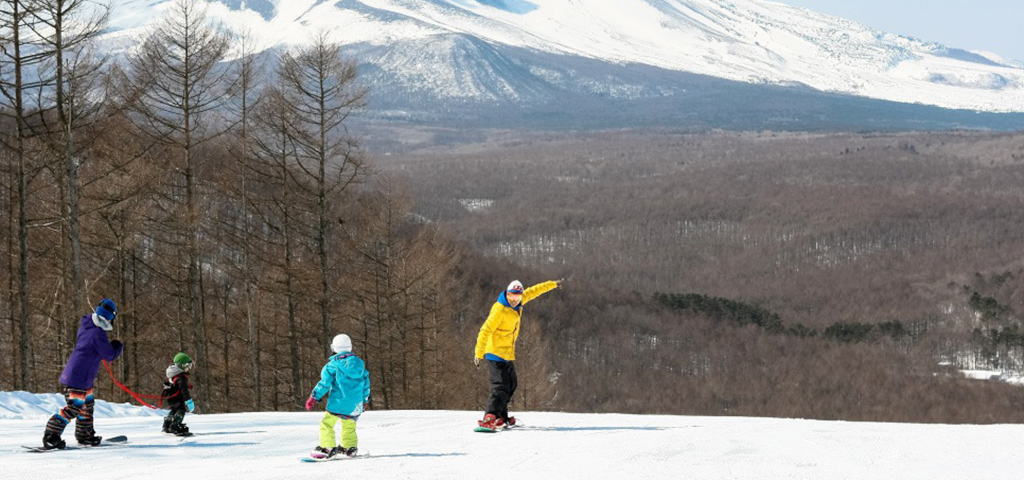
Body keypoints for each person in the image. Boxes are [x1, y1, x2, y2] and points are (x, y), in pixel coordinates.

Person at [474, 278, 562, 430]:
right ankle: (490, 416)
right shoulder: (499, 310)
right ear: (507, 294)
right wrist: (478, 352)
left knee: (512, 384)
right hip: (494, 353)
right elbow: (485, 330)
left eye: (517, 297)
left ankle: (501, 416)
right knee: (500, 386)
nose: (514, 300)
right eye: (512, 296)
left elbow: (534, 291)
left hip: (507, 353)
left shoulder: (519, 303)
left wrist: (553, 284)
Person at [42, 298, 124, 449]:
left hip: (81, 376)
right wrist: (117, 345)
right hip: (78, 377)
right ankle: (51, 435)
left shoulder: (88, 326)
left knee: (87, 405)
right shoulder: (97, 333)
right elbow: (109, 354)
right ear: (110, 317)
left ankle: (84, 435)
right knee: (75, 407)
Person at [304, 334, 371, 459]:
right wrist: (364, 400)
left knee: (327, 423)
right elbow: (366, 384)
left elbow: (324, 384)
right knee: (349, 424)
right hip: (355, 404)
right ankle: (348, 448)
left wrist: (314, 396)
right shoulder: (360, 364)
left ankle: (327, 447)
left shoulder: (332, 366)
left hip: (338, 402)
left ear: (334, 348)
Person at [161, 352, 195, 436]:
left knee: (174, 410)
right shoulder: (181, 377)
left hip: (171, 397)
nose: (188, 368)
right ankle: (175, 425)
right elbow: (184, 390)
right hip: (177, 397)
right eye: (187, 365)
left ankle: (167, 424)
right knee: (181, 410)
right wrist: (188, 401)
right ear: (182, 365)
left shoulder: (173, 373)